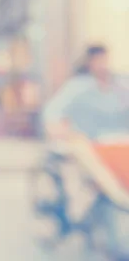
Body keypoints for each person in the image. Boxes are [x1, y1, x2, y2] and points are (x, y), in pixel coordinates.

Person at [43, 45, 129, 259]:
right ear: (89, 63)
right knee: (107, 181)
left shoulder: (120, 84)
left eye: (105, 60)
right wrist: (59, 129)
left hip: (121, 141)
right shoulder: (77, 87)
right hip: (90, 143)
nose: (103, 65)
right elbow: (53, 112)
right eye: (98, 61)